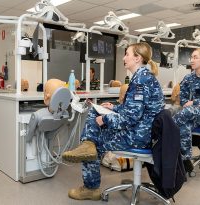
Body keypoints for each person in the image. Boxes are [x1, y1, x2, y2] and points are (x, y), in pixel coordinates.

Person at [62, 42, 164, 200]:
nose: (124, 58)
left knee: (94, 144)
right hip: (143, 131)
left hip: (139, 136)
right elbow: (134, 111)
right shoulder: (143, 77)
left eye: (127, 54)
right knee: (96, 110)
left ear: (137, 58)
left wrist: (105, 119)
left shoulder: (140, 81)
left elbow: (131, 118)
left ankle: (91, 187)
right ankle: (86, 145)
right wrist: (114, 108)